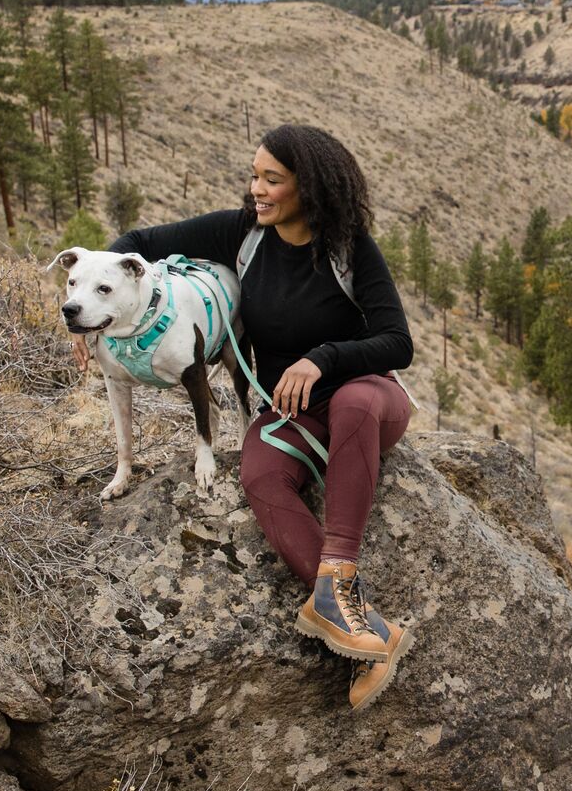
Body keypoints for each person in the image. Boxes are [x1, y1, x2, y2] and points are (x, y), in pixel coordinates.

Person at [80, 124, 416, 710]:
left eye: (271, 180)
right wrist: (96, 299)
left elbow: (397, 342)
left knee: (353, 401)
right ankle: (362, 624)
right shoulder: (242, 232)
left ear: (308, 187)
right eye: (253, 175)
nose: (255, 190)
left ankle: (339, 578)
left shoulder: (350, 248)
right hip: (292, 411)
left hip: (368, 400)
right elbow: (136, 241)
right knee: (260, 475)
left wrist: (322, 359)